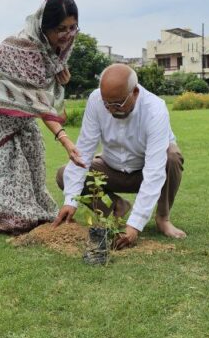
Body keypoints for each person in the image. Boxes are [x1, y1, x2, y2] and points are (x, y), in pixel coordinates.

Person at [0, 0, 85, 233]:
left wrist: (58, 80)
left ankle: (30, 206)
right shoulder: (29, 49)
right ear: (45, 28)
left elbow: (45, 85)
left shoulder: (59, 44)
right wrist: (66, 140)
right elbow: (41, 102)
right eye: (61, 29)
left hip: (18, 104)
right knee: (2, 159)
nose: (67, 35)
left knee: (32, 148)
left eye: (72, 27)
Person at [54, 63, 186, 248]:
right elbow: (84, 150)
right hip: (111, 168)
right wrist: (70, 202)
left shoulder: (155, 109)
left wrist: (135, 225)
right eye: (106, 103)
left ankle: (162, 218)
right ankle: (116, 207)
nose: (110, 109)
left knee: (172, 156)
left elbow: (155, 170)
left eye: (117, 103)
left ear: (135, 93)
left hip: (144, 171)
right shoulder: (96, 100)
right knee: (63, 174)